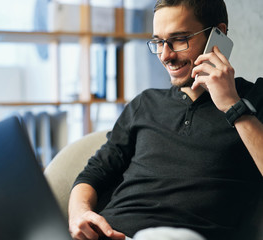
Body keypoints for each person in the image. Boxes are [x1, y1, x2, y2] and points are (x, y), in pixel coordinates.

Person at [68, 0, 263, 240]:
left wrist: (233, 106)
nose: (165, 55)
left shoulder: (255, 99)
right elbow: (95, 172)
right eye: (159, 41)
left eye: (179, 39)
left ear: (218, 35)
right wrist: (79, 215)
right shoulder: (145, 103)